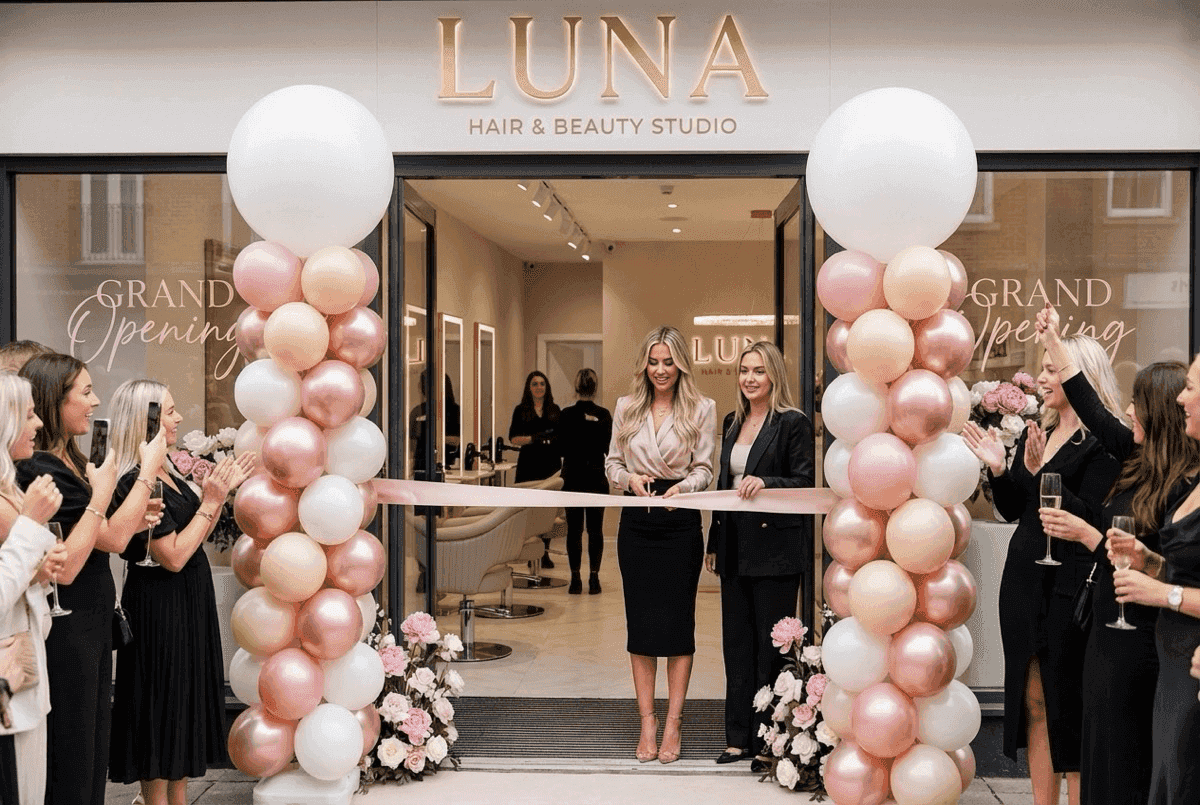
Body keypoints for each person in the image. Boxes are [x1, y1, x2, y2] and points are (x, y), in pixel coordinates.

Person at [1034, 304, 1197, 805]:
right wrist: (1055, 346)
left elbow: (1175, 563)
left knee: (1130, 762)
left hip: (1144, 638)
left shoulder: (1181, 485)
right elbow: (1092, 408)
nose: (1127, 411)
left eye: (1136, 402)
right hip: (1105, 625)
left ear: (1160, 413)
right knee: (1098, 746)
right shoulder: (1135, 460)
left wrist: (1100, 542)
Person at [963, 335, 1123, 805]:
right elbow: (1015, 509)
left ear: (1080, 375)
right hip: (1024, 581)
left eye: (1053, 369)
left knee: (1064, 705)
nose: (1043, 378)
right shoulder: (1042, 429)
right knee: (1033, 705)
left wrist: (1038, 478)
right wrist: (999, 469)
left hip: (1069, 584)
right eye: (1044, 369)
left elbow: (1090, 517)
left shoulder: (1102, 444)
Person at [15, 354, 167, 805]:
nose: (95, 400)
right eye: (84, 392)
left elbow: (102, 535)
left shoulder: (74, 461)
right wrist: (147, 473)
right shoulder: (41, 468)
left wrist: (131, 520)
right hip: (68, 626)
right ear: (52, 401)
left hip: (91, 621)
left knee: (91, 744)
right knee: (74, 749)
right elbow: (110, 539)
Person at [105, 380, 255, 805]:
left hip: (186, 601)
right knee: (161, 707)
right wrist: (212, 500)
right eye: (168, 411)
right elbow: (173, 554)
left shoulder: (168, 469)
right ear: (146, 420)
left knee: (181, 705)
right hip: (160, 607)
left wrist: (216, 496)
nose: (177, 418)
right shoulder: (133, 480)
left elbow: (193, 534)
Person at [605, 325, 716, 765]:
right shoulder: (626, 407)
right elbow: (612, 462)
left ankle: (674, 722)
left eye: (669, 362)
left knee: (677, 626)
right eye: (654, 361)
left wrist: (685, 487)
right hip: (636, 521)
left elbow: (706, 468)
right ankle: (646, 721)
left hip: (680, 521)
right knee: (642, 628)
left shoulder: (702, 408)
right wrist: (627, 478)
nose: (660, 370)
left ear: (681, 364)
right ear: (644, 364)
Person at [704, 341, 813, 771]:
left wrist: (766, 482)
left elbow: (803, 483)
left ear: (774, 377)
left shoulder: (793, 424)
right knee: (737, 646)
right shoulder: (732, 421)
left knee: (771, 652)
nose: (749, 378)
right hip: (733, 546)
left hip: (776, 552)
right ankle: (737, 740)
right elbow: (721, 483)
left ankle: (770, 741)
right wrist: (714, 540)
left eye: (759, 371)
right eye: (744, 370)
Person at [1109, 351, 1200, 805]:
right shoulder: (1193, 476)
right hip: (1172, 657)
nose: (1183, 397)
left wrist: (1163, 593)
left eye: (1192, 388)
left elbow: (1183, 588)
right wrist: (1149, 561)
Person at [0, 372, 67, 805]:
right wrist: (29, 527)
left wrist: (39, 578)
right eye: (27, 415)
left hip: (22, 681)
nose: (39, 424)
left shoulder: (11, 489)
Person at [556, 368, 612, 595]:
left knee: (574, 530)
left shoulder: (566, 415)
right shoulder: (605, 415)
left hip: (572, 477)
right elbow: (608, 447)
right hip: (596, 476)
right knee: (595, 530)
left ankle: (575, 578)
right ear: (595, 388)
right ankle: (595, 578)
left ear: (575, 387)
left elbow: (560, 448)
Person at [509, 370, 562, 566]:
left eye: (542, 384)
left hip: (550, 465)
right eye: (534, 384)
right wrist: (533, 439)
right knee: (529, 511)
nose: (539, 387)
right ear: (529, 388)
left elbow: (562, 438)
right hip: (529, 465)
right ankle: (531, 553)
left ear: (546, 387)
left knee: (547, 512)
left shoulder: (555, 409)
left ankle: (545, 552)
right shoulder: (520, 410)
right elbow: (513, 438)